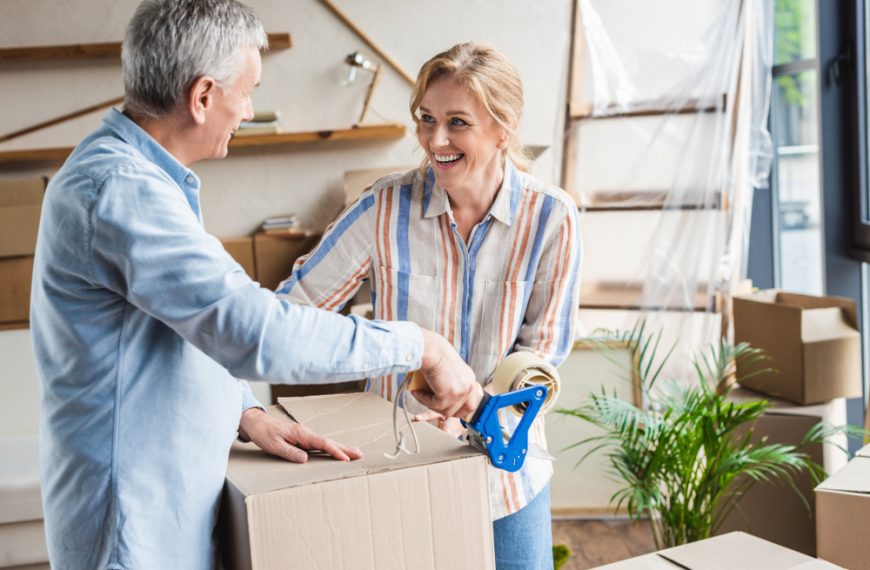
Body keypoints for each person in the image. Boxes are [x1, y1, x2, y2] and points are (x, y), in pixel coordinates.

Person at [29, 2, 482, 568]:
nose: (247, 111)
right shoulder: (121, 191)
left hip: (161, 515)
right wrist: (423, 346)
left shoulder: (141, 180)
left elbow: (188, 325)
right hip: (133, 534)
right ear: (202, 96)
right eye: (246, 92)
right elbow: (253, 330)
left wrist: (245, 412)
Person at [277, 42, 582, 569]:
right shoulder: (382, 208)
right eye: (426, 119)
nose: (435, 141)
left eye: (457, 123)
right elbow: (291, 314)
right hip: (398, 469)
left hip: (507, 478)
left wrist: (474, 413)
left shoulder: (551, 219)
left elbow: (542, 358)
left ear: (503, 129)